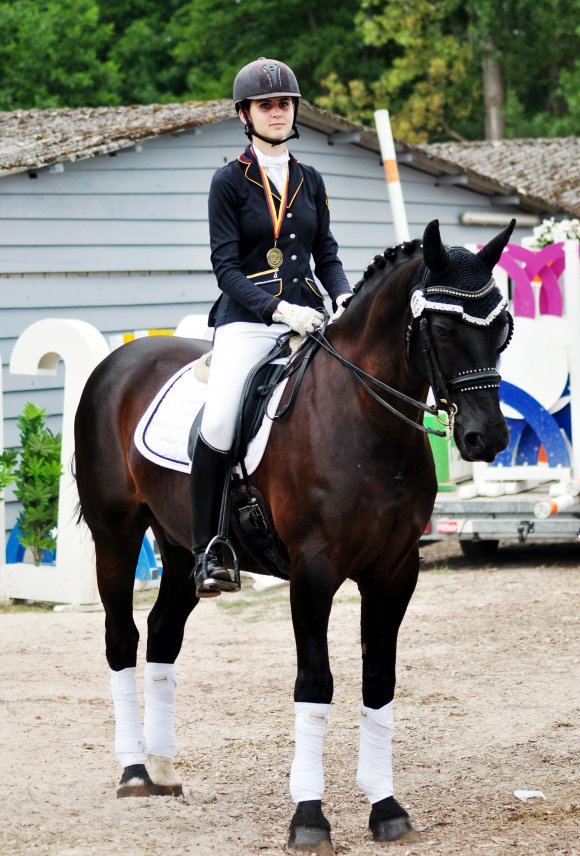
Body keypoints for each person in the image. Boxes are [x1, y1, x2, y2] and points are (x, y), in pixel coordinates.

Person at [190, 57, 352, 598]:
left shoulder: (310, 179)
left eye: (284, 103)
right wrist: (279, 311)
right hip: (249, 322)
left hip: (312, 315)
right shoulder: (228, 182)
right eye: (266, 105)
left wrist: (344, 295)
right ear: (245, 115)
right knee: (219, 422)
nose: (277, 112)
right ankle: (208, 548)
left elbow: (326, 254)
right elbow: (226, 270)